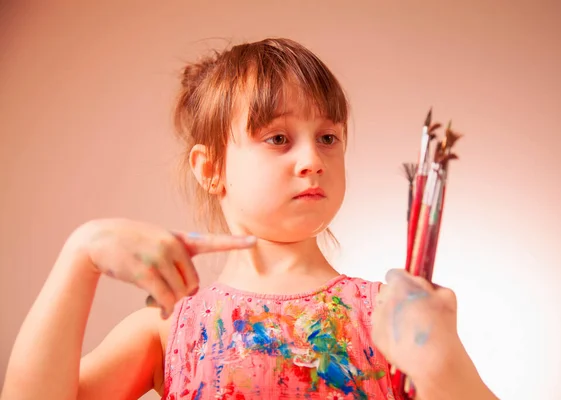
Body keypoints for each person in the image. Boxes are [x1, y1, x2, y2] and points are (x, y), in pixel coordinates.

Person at [1, 38, 498, 400]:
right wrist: (81, 254)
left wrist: (444, 365)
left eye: (328, 137)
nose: (313, 160)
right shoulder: (172, 327)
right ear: (211, 168)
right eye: (278, 138)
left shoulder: (387, 316)